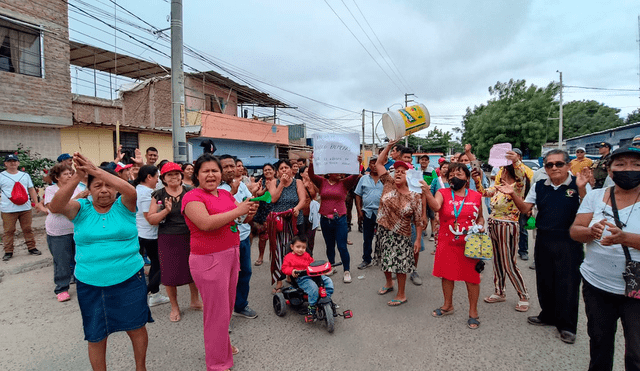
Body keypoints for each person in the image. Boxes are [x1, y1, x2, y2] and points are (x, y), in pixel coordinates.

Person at [49, 153, 152, 371]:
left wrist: (97, 171)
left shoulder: (124, 206)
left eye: (108, 185)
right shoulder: (80, 208)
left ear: (115, 188)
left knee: (136, 327)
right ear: (89, 189)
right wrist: (79, 176)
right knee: (96, 334)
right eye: (97, 186)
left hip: (129, 278)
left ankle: (140, 368)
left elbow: (131, 190)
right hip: (90, 282)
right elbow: (56, 206)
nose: (104, 190)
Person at [182, 154, 257, 371]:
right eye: (205, 171)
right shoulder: (192, 197)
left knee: (226, 308)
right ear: (197, 175)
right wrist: (238, 211)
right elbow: (205, 223)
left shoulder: (224, 194)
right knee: (216, 314)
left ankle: (222, 345)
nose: (211, 174)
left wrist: (249, 210)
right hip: (209, 260)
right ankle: (217, 363)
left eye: (214, 170)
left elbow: (242, 218)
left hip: (231, 254)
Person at [506, 149, 589, 344]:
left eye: (559, 164)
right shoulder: (539, 186)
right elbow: (526, 209)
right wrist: (512, 194)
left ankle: (567, 326)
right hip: (543, 238)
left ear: (568, 166)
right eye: (549, 165)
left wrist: (583, 189)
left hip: (569, 241)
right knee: (545, 281)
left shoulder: (579, 184)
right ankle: (548, 315)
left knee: (567, 284)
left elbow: (589, 209)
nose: (554, 168)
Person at [570, 145, 640, 370]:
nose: (628, 169)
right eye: (620, 164)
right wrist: (591, 232)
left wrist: (625, 238)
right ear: (610, 171)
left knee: (637, 352)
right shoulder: (595, 197)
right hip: (597, 285)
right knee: (599, 345)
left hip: (636, 291)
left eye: (636, 165)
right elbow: (575, 231)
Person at [426, 162, 485, 329]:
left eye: (459, 174)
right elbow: (436, 206)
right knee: (447, 275)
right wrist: (426, 192)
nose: (454, 177)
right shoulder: (442, 192)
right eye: (451, 174)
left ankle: (473, 312)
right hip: (447, 241)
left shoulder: (475, 196)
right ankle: (447, 305)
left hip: (470, 244)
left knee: (472, 278)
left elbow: (480, 217)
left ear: (466, 178)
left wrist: (480, 225)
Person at [473, 151, 530, 312]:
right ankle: (500, 291)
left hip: (507, 226)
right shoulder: (499, 187)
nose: (500, 173)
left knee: (509, 263)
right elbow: (483, 192)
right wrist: (476, 179)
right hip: (494, 225)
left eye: (503, 170)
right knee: (497, 260)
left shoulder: (518, 186)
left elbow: (521, 173)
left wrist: (515, 160)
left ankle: (523, 295)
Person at [148, 163, 201, 322]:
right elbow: (151, 219)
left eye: (177, 174)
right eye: (169, 175)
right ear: (163, 178)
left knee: (193, 270)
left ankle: (194, 300)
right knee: (169, 275)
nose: (174, 177)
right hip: (168, 238)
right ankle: (174, 306)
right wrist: (165, 211)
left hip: (190, 235)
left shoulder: (191, 191)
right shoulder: (158, 195)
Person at [374, 140, 424, 306]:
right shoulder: (388, 183)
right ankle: (389, 283)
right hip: (383, 229)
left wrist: (417, 239)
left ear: (408, 176)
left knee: (401, 265)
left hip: (402, 234)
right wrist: (388, 146)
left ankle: (401, 294)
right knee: (385, 260)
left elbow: (418, 220)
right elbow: (379, 163)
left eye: (403, 171)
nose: (398, 173)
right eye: (396, 170)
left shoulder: (414, 197)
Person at [218, 155, 258, 319]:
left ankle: (240, 305)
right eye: (225, 167)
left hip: (243, 237)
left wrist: (253, 205)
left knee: (245, 273)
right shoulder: (217, 189)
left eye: (231, 166)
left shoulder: (241, 185)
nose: (229, 169)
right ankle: (223, 315)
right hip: (224, 240)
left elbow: (251, 202)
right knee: (224, 279)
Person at [308, 158, 360, 284]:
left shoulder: (344, 183)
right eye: (335, 171)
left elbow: (355, 175)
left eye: (340, 171)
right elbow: (311, 174)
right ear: (328, 172)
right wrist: (311, 162)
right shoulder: (322, 182)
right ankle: (331, 266)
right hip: (325, 219)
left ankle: (346, 271)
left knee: (342, 246)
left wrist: (358, 162)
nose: (338, 173)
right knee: (329, 245)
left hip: (340, 219)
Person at [44, 163, 84, 302]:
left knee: (80, 259)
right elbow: (55, 208)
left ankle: (82, 284)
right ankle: (62, 288)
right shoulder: (51, 190)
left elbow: (81, 206)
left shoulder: (76, 187)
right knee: (62, 261)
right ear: (57, 177)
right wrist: (77, 198)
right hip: (58, 232)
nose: (69, 176)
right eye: (66, 174)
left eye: (70, 174)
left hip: (76, 229)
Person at [133, 165, 171, 310]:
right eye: (156, 177)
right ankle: (151, 293)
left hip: (143, 232)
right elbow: (149, 217)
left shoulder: (138, 190)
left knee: (155, 264)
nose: (157, 180)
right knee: (158, 265)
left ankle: (151, 292)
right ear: (149, 177)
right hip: (149, 234)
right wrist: (165, 211)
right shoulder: (147, 193)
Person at [268, 160, 307, 291]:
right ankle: (279, 280)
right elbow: (273, 199)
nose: (284, 170)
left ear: (291, 170)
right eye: (281, 168)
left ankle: (292, 274)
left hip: (295, 220)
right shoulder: (273, 182)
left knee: (294, 250)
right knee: (278, 250)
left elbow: (303, 199)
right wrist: (282, 185)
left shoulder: (298, 182)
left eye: (286, 168)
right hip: (279, 222)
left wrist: (297, 208)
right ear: (277, 172)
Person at [1, 154, 41, 261]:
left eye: (14, 161)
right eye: (9, 161)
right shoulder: (1, 176)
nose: (12, 163)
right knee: (8, 231)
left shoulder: (25, 175)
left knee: (27, 229)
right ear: (5, 163)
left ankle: (32, 247)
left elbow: (31, 189)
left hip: (25, 208)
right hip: (8, 209)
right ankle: (8, 251)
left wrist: (36, 202)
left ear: (18, 163)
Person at [281, 235, 334, 315]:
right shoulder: (288, 257)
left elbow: (312, 263)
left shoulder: (306, 255)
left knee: (328, 281)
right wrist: (292, 271)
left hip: (313, 275)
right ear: (292, 247)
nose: (300, 249)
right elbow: (284, 268)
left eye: (303, 247)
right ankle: (312, 306)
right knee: (313, 288)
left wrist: (321, 268)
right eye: (298, 247)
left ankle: (327, 299)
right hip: (301, 278)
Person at [354, 156, 384, 269]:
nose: (374, 165)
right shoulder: (364, 179)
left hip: (383, 214)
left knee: (383, 238)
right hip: (367, 213)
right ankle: (366, 259)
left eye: (377, 163)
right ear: (369, 165)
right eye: (372, 163)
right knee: (367, 238)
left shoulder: (385, 179)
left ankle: (382, 260)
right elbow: (358, 194)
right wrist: (359, 210)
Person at [253, 163, 276, 266]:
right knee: (262, 236)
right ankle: (260, 256)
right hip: (262, 212)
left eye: (269, 169)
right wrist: (266, 188)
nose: (267, 172)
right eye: (265, 170)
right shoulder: (261, 182)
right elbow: (257, 194)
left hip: (274, 211)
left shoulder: (278, 182)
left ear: (274, 171)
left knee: (274, 237)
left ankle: (274, 257)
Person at [430, 161, 450, 255]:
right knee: (437, 227)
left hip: (450, 208)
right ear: (440, 169)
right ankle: (437, 247)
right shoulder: (436, 180)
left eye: (447, 167)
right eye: (444, 167)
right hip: (438, 208)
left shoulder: (452, 181)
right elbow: (432, 193)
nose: (446, 169)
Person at [298, 166, 319, 256]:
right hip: (301, 214)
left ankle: (310, 256)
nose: (308, 173)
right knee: (302, 237)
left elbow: (319, 191)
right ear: (301, 174)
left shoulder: (312, 183)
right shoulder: (298, 184)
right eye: (307, 172)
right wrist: (304, 185)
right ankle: (301, 257)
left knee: (311, 238)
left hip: (312, 214)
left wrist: (313, 181)